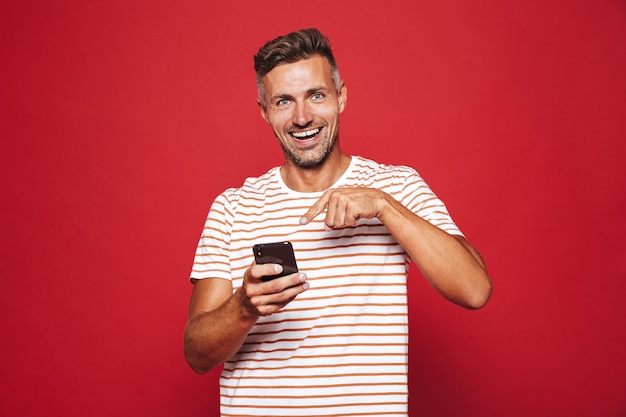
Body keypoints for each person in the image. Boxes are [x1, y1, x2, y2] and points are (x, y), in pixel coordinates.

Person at [184, 28, 492, 417]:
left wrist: (384, 206)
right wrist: (245, 306)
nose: (302, 117)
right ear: (264, 113)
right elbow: (196, 354)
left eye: (316, 95)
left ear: (340, 96)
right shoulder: (233, 207)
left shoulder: (396, 186)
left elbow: (475, 289)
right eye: (283, 102)